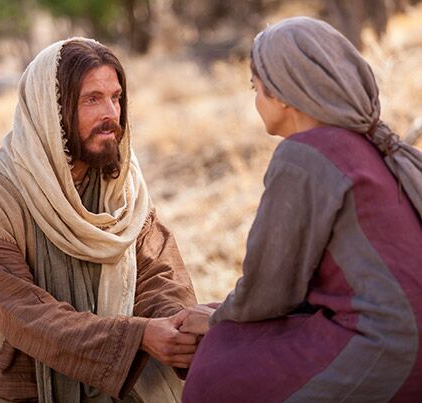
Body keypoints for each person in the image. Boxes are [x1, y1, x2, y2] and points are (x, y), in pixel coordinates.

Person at [181, 17, 422, 402]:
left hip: (389, 349)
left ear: (282, 95)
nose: (255, 100)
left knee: (218, 366)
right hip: (403, 337)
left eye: (254, 87)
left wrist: (215, 320)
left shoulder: (304, 155)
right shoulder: (371, 146)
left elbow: (270, 288)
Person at [0, 38, 198, 402]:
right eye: (91, 99)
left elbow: (158, 269)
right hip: (2, 383)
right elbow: (25, 315)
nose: (110, 113)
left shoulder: (120, 186)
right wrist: (138, 336)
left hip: (104, 366)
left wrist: (177, 324)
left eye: (116, 97)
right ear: (51, 109)